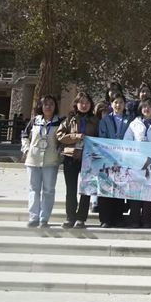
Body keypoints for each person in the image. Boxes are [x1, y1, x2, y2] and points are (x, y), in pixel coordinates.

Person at [56, 91, 100, 229]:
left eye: (87, 103)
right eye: (81, 103)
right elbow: (60, 136)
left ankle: (81, 218)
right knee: (71, 189)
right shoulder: (69, 119)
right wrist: (77, 137)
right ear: (76, 104)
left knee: (86, 190)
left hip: (88, 158)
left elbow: (99, 138)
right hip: (70, 157)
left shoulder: (95, 121)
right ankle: (70, 217)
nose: (84, 105)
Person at [21, 95, 62, 228]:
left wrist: (59, 153)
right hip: (33, 159)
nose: (48, 107)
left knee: (48, 190)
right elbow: (25, 135)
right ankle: (33, 217)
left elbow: (63, 139)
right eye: (45, 104)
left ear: (55, 106)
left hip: (51, 160)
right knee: (34, 189)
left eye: (51, 104)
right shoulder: (34, 121)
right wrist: (27, 149)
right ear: (41, 106)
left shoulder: (60, 122)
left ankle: (44, 218)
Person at [123, 97, 151, 228]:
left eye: (150, 106)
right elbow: (127, 141)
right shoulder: (134, 124)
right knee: (136, 192)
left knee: (149, 192)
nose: (147, 109)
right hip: (137, 162)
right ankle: (134, 219)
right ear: (140, 108)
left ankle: (146, 219)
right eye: (144, 106)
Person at [97, 92, 133, 228]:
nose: (118, 105)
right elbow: (102, 137)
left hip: (124, 159)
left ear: (125, 104)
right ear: (111, 104)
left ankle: (118, 217)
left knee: (120, 188)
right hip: (107, 158)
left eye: (121, 102)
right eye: (115, 102)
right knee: (106, 187)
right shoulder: (105, 120)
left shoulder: (130, 120)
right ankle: (105, 219)